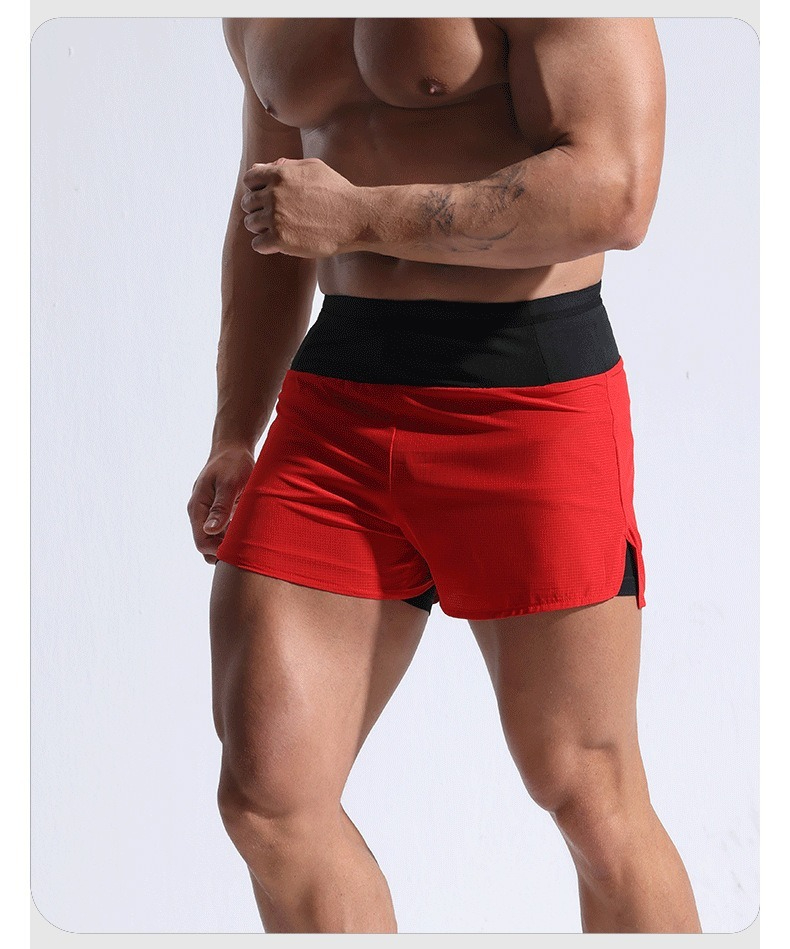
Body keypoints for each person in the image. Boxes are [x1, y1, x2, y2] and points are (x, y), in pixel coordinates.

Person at [186, 17, 702, 934]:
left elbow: (617, 188)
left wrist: (361, 217)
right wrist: (236, 427)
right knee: (269, 798)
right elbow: (268, 205)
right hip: (339, 394)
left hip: (528, 390)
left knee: (588, 790)